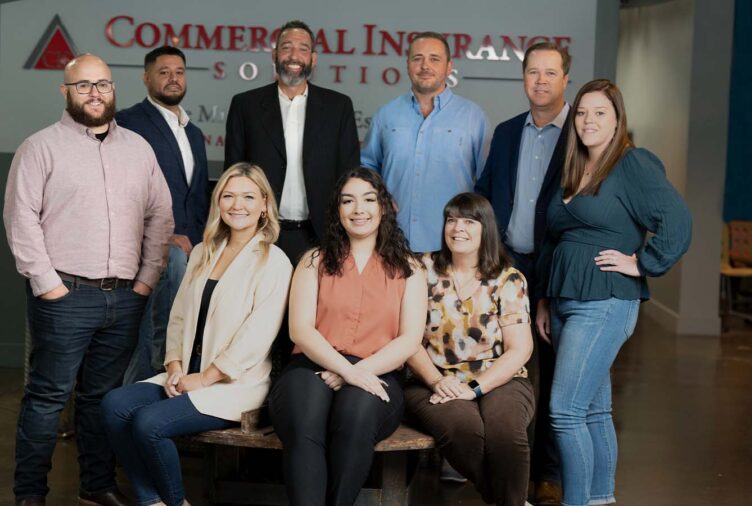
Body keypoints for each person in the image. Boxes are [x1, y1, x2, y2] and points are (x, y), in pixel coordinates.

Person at [4, 54, 174, 506]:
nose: (95, 93)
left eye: (102, 84)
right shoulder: (39, 147)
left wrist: (146, 279)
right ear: (65, 92)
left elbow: (160, 215)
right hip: (64, 294)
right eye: (83, 86)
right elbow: (21, 218)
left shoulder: (138, 148)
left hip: (124, 297)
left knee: (102, 399)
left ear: (114, 89)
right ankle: (29, 494)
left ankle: (95, 488)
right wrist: (47, 284)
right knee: (47, 397)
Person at [535, 79, 692, 506]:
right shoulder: (573, 165)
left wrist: (641, 263)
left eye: (600, 112)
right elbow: (555, 237)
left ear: (618, 119)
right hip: (567, 300)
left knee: (565, 411)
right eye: (582, 112)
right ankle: (601, 499)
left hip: (605, 301)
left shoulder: (631, 164)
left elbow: (677, 220)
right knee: (593, 411)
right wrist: (547, 299)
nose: (588, 121)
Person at [101, 163, 292, 506]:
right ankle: (151, 501)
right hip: (186, 374)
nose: (238, 205)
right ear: (218, 202)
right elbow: (178, 316)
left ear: (265, 204)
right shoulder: (204, 252)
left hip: (233, 385)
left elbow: (257, 337)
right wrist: (175, 366)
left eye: (248, 197)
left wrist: (205, 379)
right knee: (114, 405)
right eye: (228, 196)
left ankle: (176, 502)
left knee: (149, 424)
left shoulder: (274, 261)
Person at [268, 167, 427, 506]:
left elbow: (409, 340)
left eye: (369, 200)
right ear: (337, 211)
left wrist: (355, 373)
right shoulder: (313, 260)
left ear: (383, 207)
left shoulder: (410, 270)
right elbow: (301, 330)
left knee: (356, 413)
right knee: (305, 413)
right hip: (310, 364)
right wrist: (346, 370)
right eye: (348, 201)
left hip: (378, 371)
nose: (359, 209)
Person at [475, 40, 571, 504]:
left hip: (555, 269)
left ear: (565, 79)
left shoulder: (581, 133)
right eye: (533, 72)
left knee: (552, 371)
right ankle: (511, 465)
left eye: (550, 73)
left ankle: (548, 472)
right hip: (507, 266)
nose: (540, 81)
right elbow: (485, 194)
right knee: (505, 368)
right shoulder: (508, 131)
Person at [405, 192, 535, 506]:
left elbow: (519, 349)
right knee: (465, 429)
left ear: (485, 228)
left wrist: (474, 388)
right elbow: (406, 338)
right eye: (451, 219)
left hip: (499, 377)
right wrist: (439, 381)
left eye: (468, 221)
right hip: (431, 378)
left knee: (505, 431)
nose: (457, 228)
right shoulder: (421, 270)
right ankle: (509, 500)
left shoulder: (508, 279)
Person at [225, 19, 360, 265]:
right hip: (259, 235)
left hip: (320, 236)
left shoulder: (338, 107)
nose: (294, 55)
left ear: (314, 58)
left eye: (303, 48)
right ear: (275, 55)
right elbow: (233, 176)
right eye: (286, 48)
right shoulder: (246, 106)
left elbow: (349, 176)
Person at [117, 46, 210, 384]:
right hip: (152, 252)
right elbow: (120, 189)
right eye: (164, 72)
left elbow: (197, 199)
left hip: (191, 253)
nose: (174, 78)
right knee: (152, 342)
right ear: (146, 78)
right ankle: (137, 402)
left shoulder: (194, 133)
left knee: (178, 334)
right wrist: (162, 236)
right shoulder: (128, 122)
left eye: (180, 72)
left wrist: (201, 246)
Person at [361, 31, 490, 253]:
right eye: (417, 58)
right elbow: (367, 168)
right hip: (392, 243)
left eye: (434, 59)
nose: (425, 65)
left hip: (453, 247)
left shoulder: (473, 117)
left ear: (449, 67)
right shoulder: (386, 115)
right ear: (407, 64)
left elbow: (488, 180)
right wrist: (379, 196)